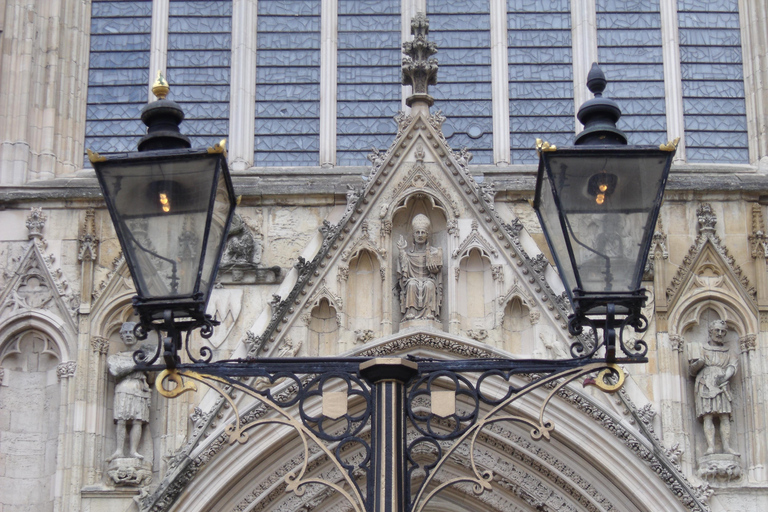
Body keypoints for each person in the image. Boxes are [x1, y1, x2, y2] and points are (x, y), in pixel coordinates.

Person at [689, 320, 739, 455]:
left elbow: (732, 367)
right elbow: (692, 371)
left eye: (723, 331)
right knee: (708, 415)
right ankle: (710, 447)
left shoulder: (729, 352)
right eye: (717, 330)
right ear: (710, 331)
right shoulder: (701, 349)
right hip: (705, 384)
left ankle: (727, 446)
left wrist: (725, 377)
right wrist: (698, 363)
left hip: (722, 383)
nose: (720, 333)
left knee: (724, 415)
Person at [107, 322, 151, 461]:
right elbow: (115, 370)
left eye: (131, 332)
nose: (128, 336)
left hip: (139, 387)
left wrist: (142, 364)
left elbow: (152, 373)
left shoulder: (145, 355)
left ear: (137, 335)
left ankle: (133, 451)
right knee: (121, 420)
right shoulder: (115, 357)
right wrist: (137, 365)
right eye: (125, 333)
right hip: (124, 388)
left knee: (137, 420)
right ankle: (119, 450)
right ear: (121, 336)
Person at [397, 214, 443, 321]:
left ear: (427, 235)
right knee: (411, 284)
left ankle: (429, 313)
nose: (420, 235)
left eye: (423, 232)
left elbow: (438, 273)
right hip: (413, 280)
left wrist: (434, 270)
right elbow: (404, 270)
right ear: (413, 235)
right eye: (417, 232)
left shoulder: (433, 252)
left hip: (428, 280)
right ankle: (411, 312)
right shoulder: (408, 253)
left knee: (429, 285)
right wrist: (401, 251)